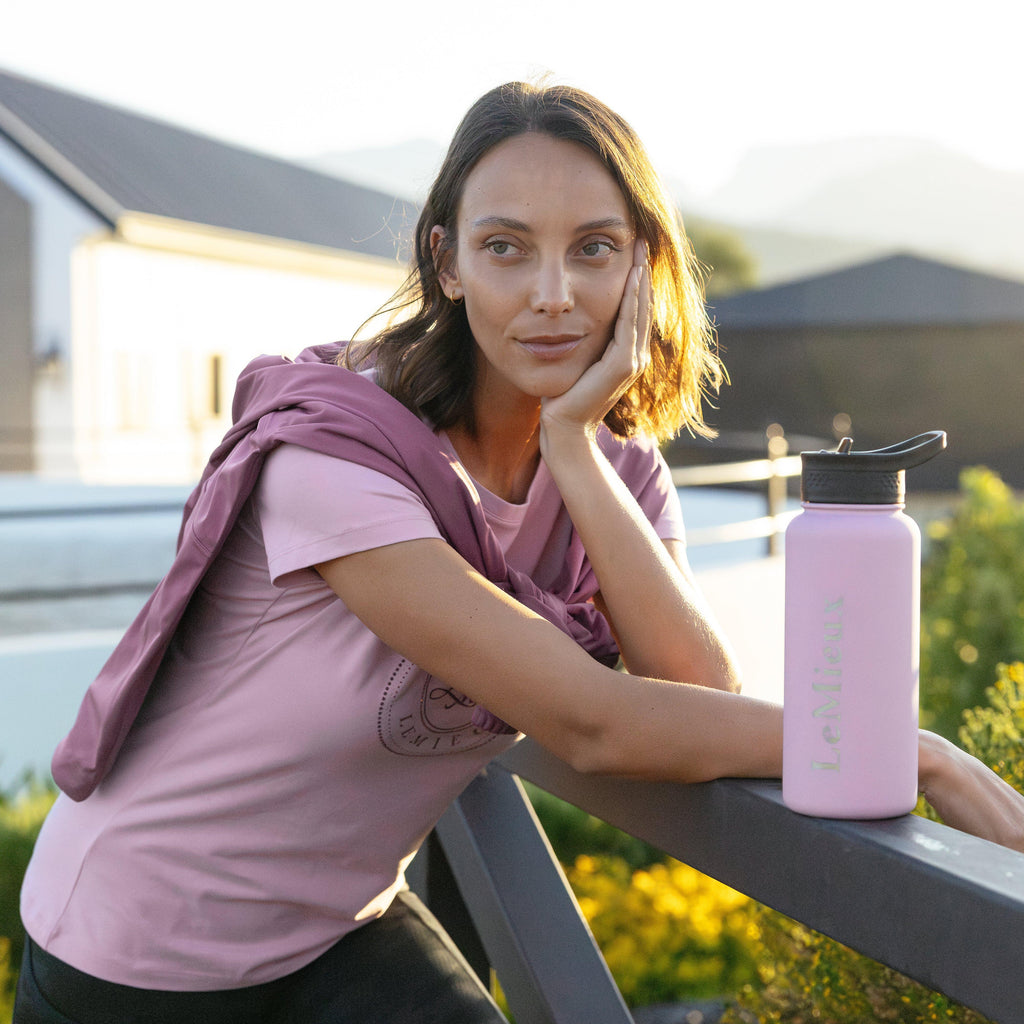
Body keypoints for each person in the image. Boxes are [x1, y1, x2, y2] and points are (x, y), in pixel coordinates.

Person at [14, 81, 1024, 1024]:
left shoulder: (615, 469)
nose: (552, 294)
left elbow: (699, 692)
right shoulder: (330, 456)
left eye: (593, 248)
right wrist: (912, 751)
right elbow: (592, 724)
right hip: (136, 948)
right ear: (446, 263)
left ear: (643, 265)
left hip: (332, 927)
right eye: (506, 249)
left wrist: (574, 451)